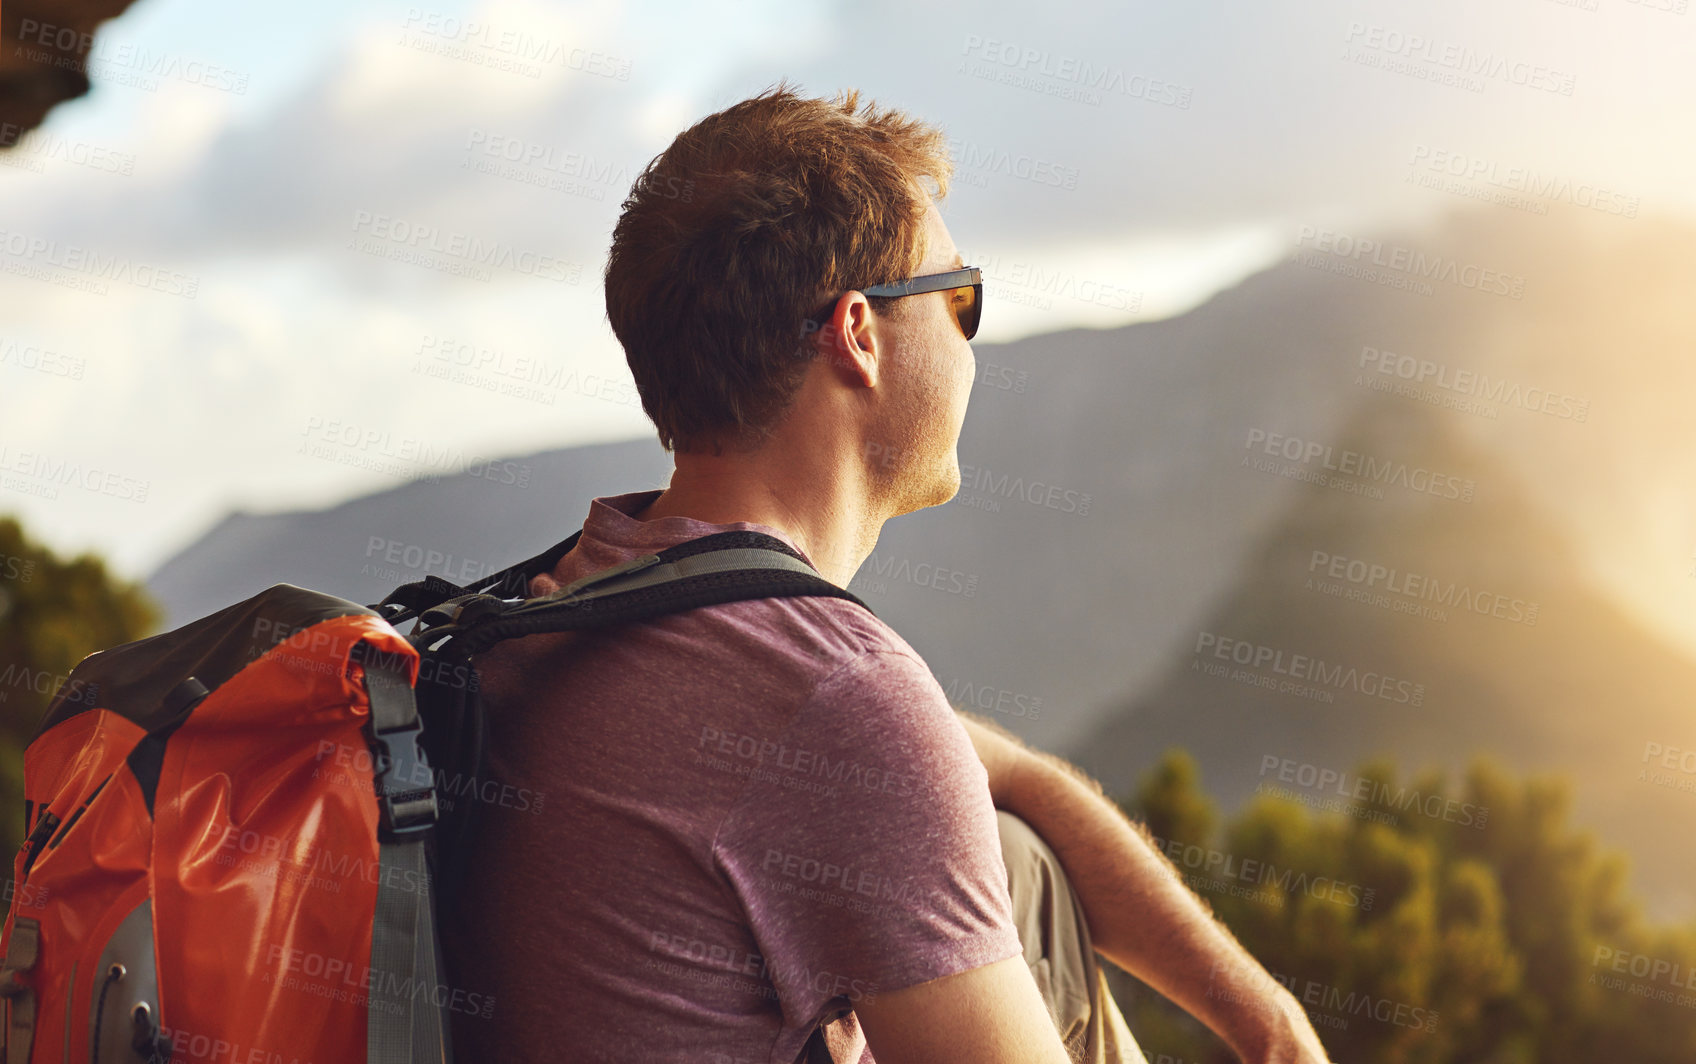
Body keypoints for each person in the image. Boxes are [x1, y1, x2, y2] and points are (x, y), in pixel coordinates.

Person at [441, 83, 1330, 1064]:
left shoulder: (567, 598)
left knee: (1021, 857)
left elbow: (1016, 775)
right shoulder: (833, 690)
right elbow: (900, 742)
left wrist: (1271, 1023)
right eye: (958, 297)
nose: (970, 340)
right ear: (859, 334)